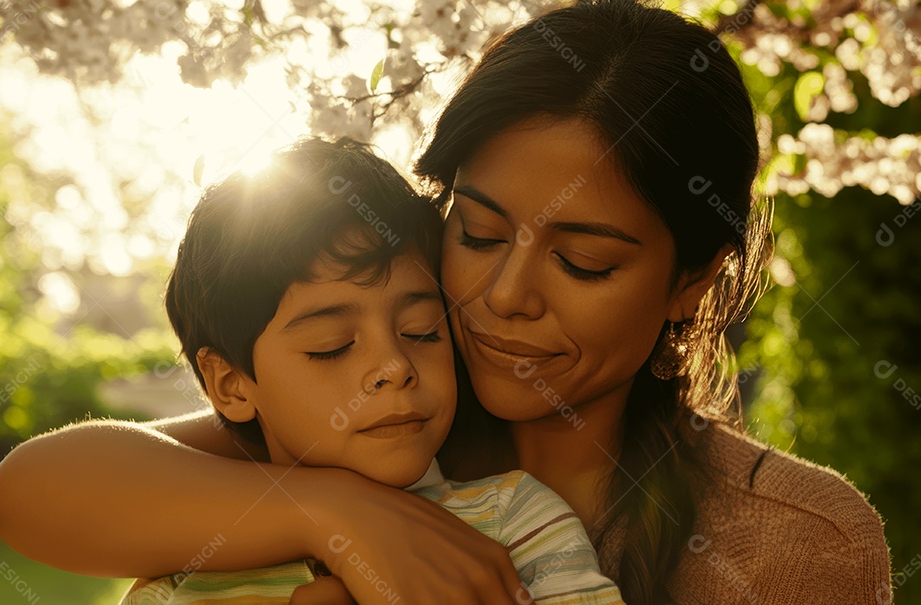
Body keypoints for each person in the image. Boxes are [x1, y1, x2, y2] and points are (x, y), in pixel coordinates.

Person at [0, 1, 893, 603]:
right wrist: (337, 513)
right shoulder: (389, 426)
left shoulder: (794, 545)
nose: (503, 295)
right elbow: (27, 493)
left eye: (581, 261)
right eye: (479, 233)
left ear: (692, 279)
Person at [100, 137, 622, 604]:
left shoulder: (520, 523)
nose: (394, 368)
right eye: (332, 347)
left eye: (421, 331)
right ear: (232, 384)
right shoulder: (181, 576)